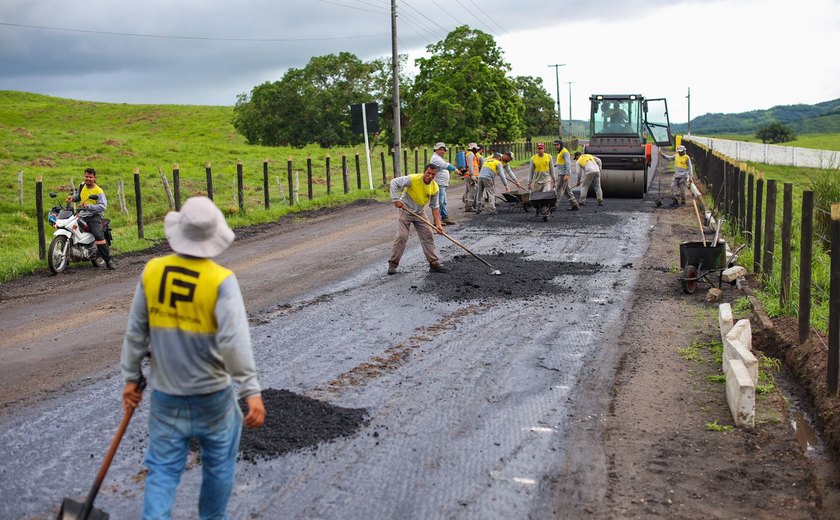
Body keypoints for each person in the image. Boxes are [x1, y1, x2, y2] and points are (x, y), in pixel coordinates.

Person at [120, 196, 266, 519]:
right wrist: (250, 391)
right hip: (212, 397)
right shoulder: (221, 281)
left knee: (161, 471)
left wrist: (131, 379)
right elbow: (234, 343)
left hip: (166, 396)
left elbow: (135, 333)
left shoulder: (152, 271)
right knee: (218, 466)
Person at [388, 164, 448, 275]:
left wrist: (438, 224)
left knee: (428, 234)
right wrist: (396, 199)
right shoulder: (413, 179)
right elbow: (394, 182)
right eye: (428, 173)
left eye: (433, 174)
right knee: (402, 236)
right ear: (424, 172)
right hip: (405, 210)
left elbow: (435, 207)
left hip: (419, 213)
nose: (430, 176)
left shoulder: (435, 188)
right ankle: (393, 264)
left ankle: (433, 263)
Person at [67, 167, 115, 269]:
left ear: (94, 178)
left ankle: (108, 261)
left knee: (98, 236)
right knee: (70, 228)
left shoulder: (98, 191)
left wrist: (89, 206)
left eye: (90, 177)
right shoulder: (82, 185)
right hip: (82, 214)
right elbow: (80, 196)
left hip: (95, 216)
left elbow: (102, 207)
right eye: (86, 176)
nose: (88, 179)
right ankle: (68, 256)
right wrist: (72, 198)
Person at [430, 142, 458, 225]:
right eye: (441, 149)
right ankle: (437, 220)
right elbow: (445, 165)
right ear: (436, 149)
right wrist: (455, 169)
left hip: (443, 183)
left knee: (444, 201)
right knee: (439, 201)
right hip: (438, 182)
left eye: (443, 150)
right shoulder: (435, 158)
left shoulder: (439, 157)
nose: (442, 151)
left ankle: (444, 217)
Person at [554, 140, 580, 211]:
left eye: (557, 145)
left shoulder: (565, 152)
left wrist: (567, 174)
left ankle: (554, 206)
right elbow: (560, 162)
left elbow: (568, 163)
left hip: (563, 174)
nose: (556, 146)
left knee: (559, 189)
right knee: (567, 191)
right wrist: (554, 165)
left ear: (561, 145)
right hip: (561, 173)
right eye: (555, 145)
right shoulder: (560, 152)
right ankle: (575, 205)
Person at [463, 143, 481, 212]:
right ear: (473, 149)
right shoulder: (470, 154)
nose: (477, 150)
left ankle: (468, 206)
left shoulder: (469, 154)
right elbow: (470, 165)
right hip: (470, 175)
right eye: (476, 149)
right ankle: (469, 206)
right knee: (471, 191)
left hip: (468, 175)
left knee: (469, 190)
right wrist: (472, 175)